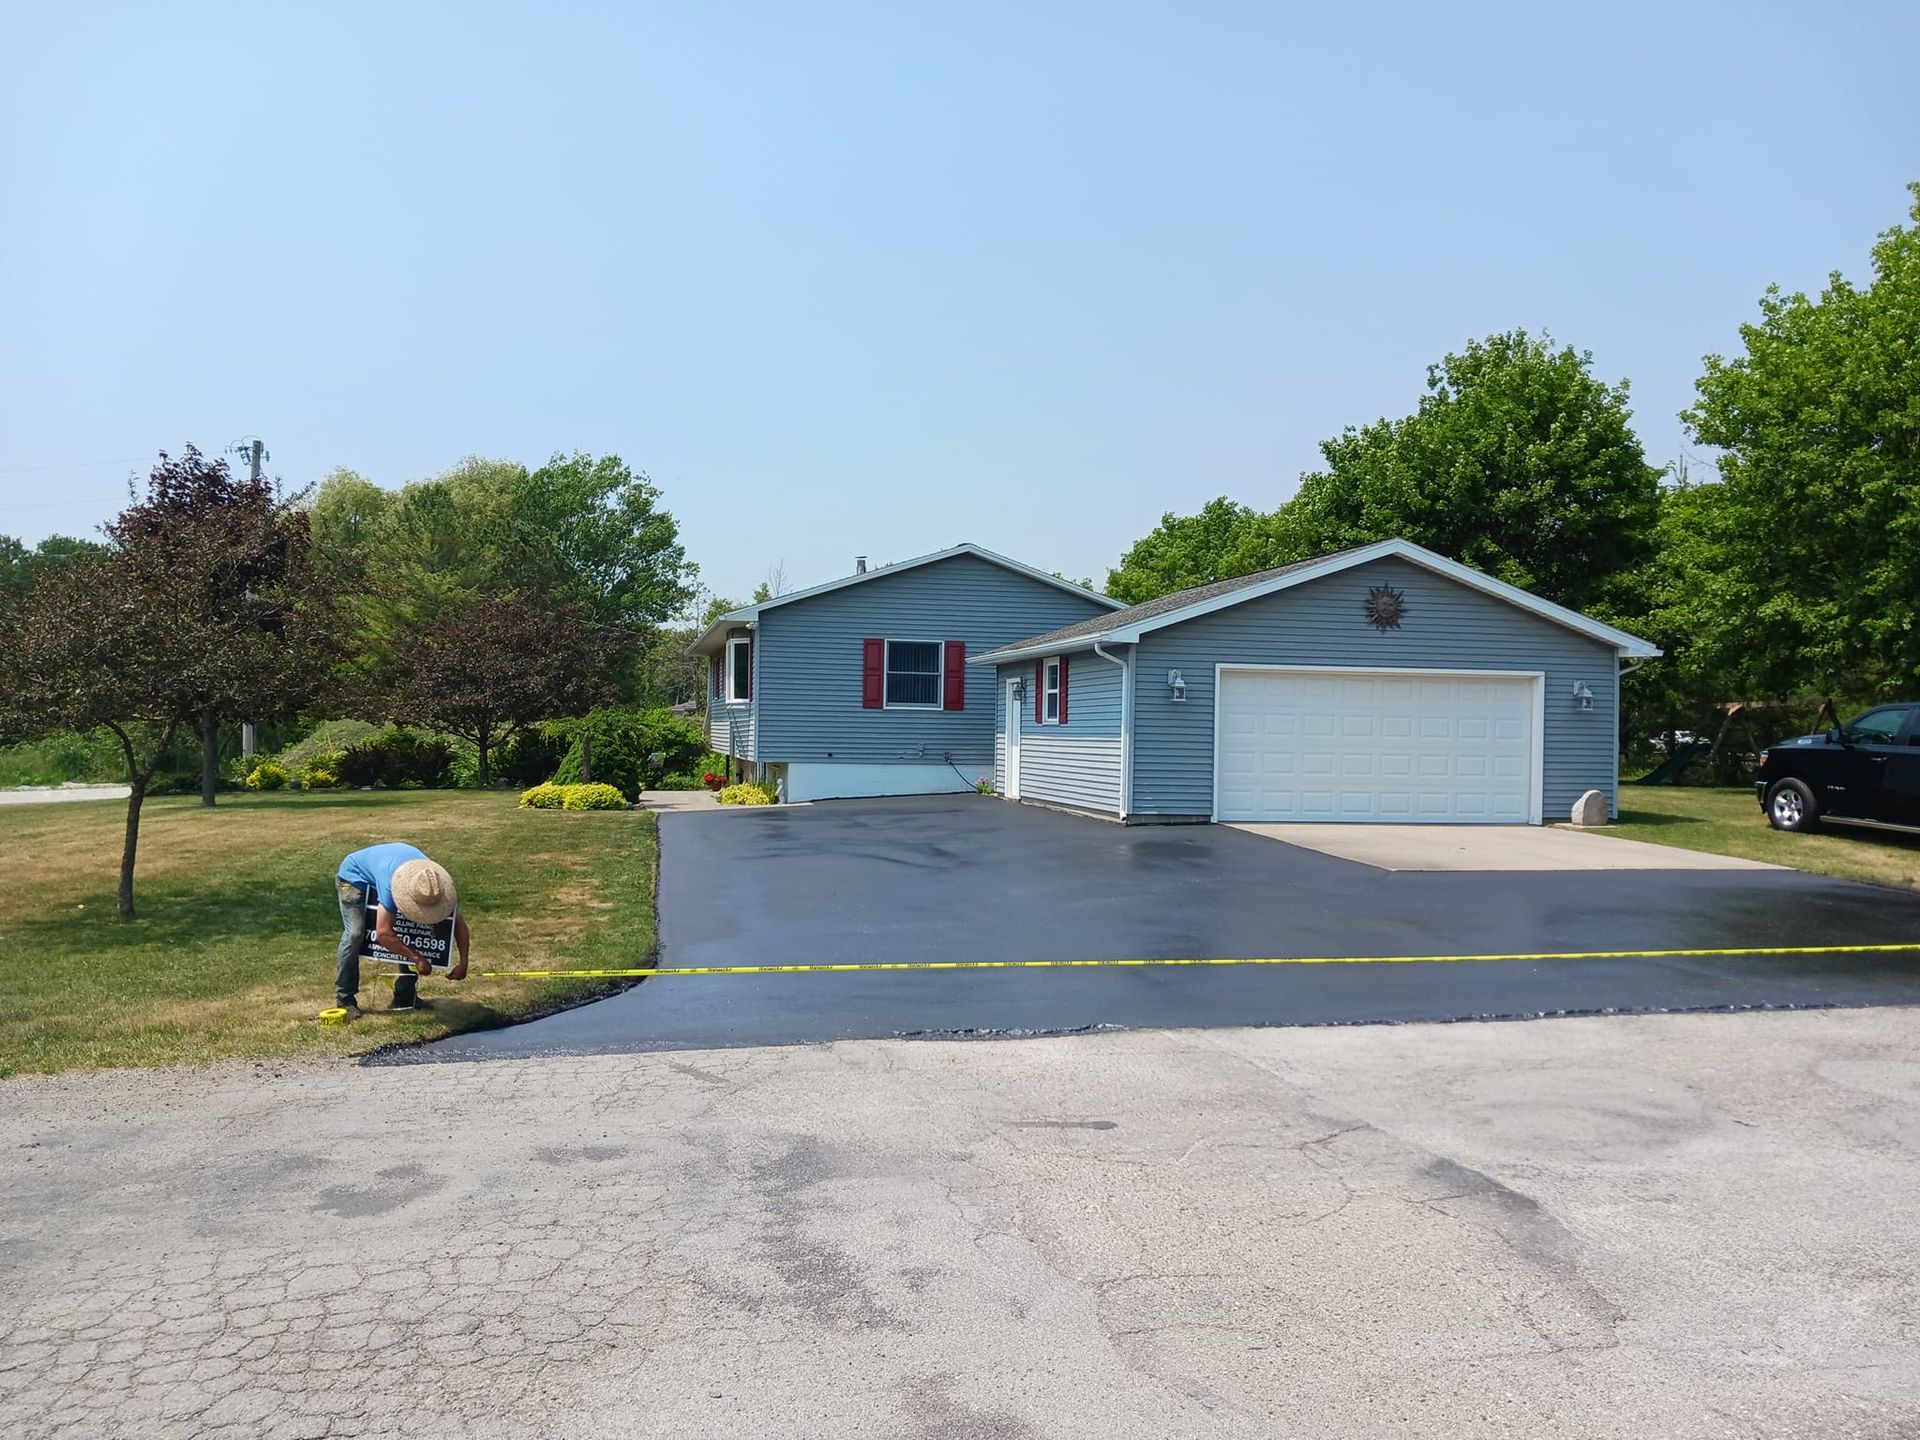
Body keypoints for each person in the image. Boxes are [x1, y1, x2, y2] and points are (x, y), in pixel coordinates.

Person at [330, 842, 470, 1018]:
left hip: (388, 868)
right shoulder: (390, 885)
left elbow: (459, 924)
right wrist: (417, 958)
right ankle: (345, 999)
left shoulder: (436, 887)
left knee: (412, 928)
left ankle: (405, 995)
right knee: (354, 934)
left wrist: (464, 962)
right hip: (353, 877)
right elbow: (383, 933)